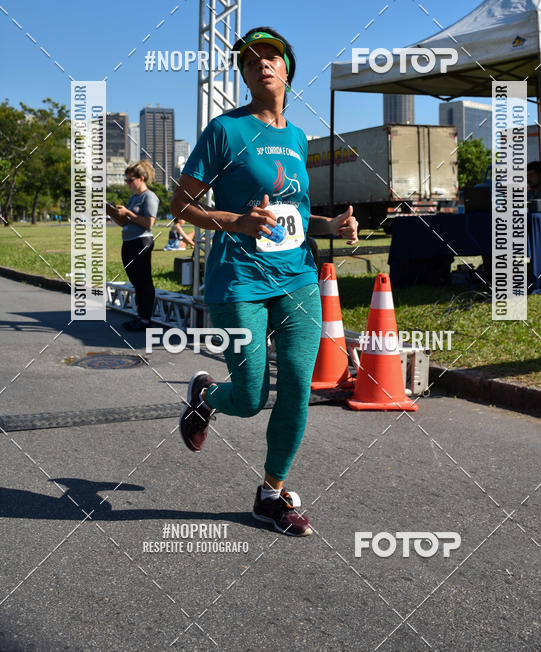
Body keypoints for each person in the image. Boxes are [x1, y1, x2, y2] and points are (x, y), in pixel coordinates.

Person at [170, 27, 358, 537]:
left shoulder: (298, 138)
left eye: (271, 56)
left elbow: (295, 214)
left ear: (288, 70)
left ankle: (272, 495)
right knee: (251, 396)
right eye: (251, 61)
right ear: (245, 76)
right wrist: (237, 221)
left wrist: (332, 226)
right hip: (239, 279)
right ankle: (207, 397)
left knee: (297, 385)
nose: (262, 64)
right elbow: (181, 206)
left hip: (297, 277)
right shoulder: (225, 131)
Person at [107, 161, 159, 331]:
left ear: (141, 178)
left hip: (141, 242)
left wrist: (128, 212)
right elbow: (126, 222)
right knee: (136, 281)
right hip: (129, 241)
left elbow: (149, 223)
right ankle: (140, 316)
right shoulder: (134, 198)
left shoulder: (149, 197)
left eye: (130, 180)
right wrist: (112, 213)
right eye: (126, 180)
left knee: (144, 281)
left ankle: (145, 319)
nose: (128, 184)